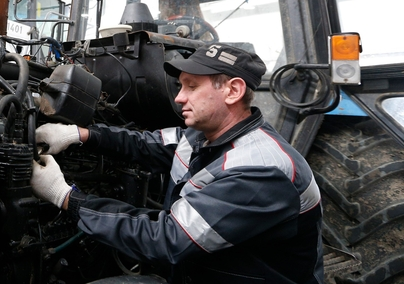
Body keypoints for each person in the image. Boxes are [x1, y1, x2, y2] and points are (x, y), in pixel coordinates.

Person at [30, 43, 323, 284]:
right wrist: (79, 134)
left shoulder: (262, 169)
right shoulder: (200, 135)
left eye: (192, 87)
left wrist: (65, 196)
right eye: (180, 86)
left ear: (232, 91)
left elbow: (167, 239)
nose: (180, 97)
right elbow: (146, 143)